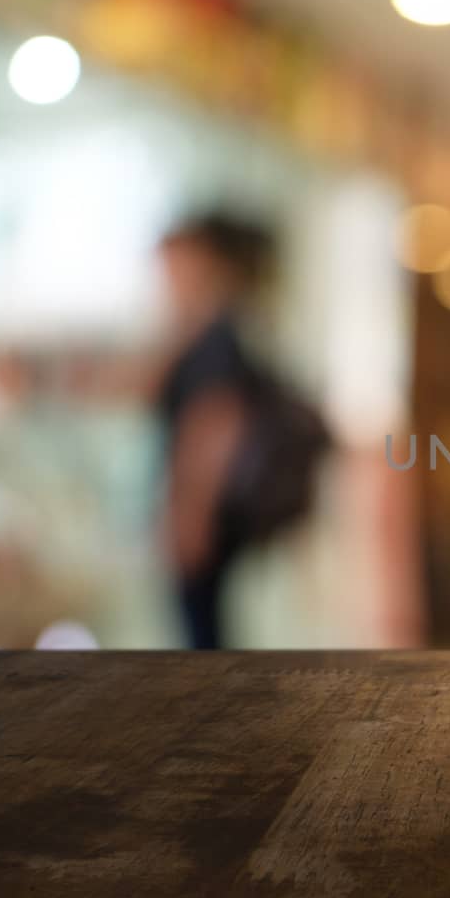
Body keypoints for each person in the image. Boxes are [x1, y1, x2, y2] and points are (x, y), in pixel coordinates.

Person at [154, 213, 277, 649]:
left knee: (202, 634)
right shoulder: (207, 329)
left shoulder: (218, 333)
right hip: (205, 507)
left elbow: (216, 423)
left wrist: (193, 511)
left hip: (206, 508)